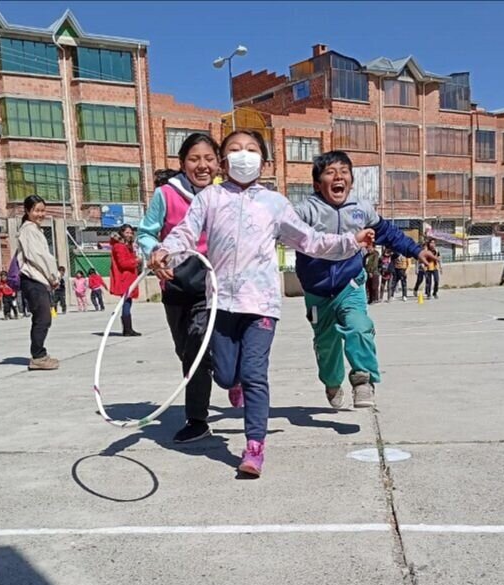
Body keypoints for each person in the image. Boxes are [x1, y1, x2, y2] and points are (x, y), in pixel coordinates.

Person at [150, 130, 373, 477]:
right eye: (235, 149)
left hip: (261, 305)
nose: (243, 155)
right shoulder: (209, 198)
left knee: (255, 373)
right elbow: (185, 233)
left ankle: (254, 446)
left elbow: (310, 240)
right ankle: (234, 384)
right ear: (224, 161)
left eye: (251, 150)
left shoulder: (275, 203)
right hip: (221, 304)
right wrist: (164, 251)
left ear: (264, 162)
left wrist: (350, 241)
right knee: (226, 375)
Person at [292, 150, 434, 409]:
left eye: (344, 172)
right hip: (317, 292)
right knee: (326, 345)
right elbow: (280, 229)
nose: (338, 177)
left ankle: (363, 379)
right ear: (317, 184)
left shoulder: (362, 209)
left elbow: (389, 233)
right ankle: (332, 381)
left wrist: (416, 250)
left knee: (359, 327)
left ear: (351, 181)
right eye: (330, 172)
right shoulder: (306, 211)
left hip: (350, 285)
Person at [138, 132, 221, 443]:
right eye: (194, 159)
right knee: (185, 350)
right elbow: (146, 233)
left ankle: (197, 419)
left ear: (219, 163)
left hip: (213, 284)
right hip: (176, 283)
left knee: (198, 345)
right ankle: (218, 372)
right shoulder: (166, 194)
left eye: (209, 159)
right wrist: (155, 254)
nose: (202, 165)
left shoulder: (225, 195)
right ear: (182, 163)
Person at [16, 194, 60, 370]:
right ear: (28, 211)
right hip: (33, 279)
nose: (40, 214)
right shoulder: (29, 230)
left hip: (38, 280)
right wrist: (53, 276)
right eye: (36, 210)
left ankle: (39, 354)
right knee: (42, 318)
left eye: (43, 210)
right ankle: (38, 356)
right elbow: (39, 257)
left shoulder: (35, 229)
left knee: (43, 318)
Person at [109, 223, 142, 337]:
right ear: (121, 233)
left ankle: (128, 328)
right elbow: (123, 263)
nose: (129, 235)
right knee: (126, 303)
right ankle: (127, 329)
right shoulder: (119, 246)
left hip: (129, 278)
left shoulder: (127, 246)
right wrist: (136, 261)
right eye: (127, 232)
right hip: (125, 279)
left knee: (128, 302)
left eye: (131, 233)